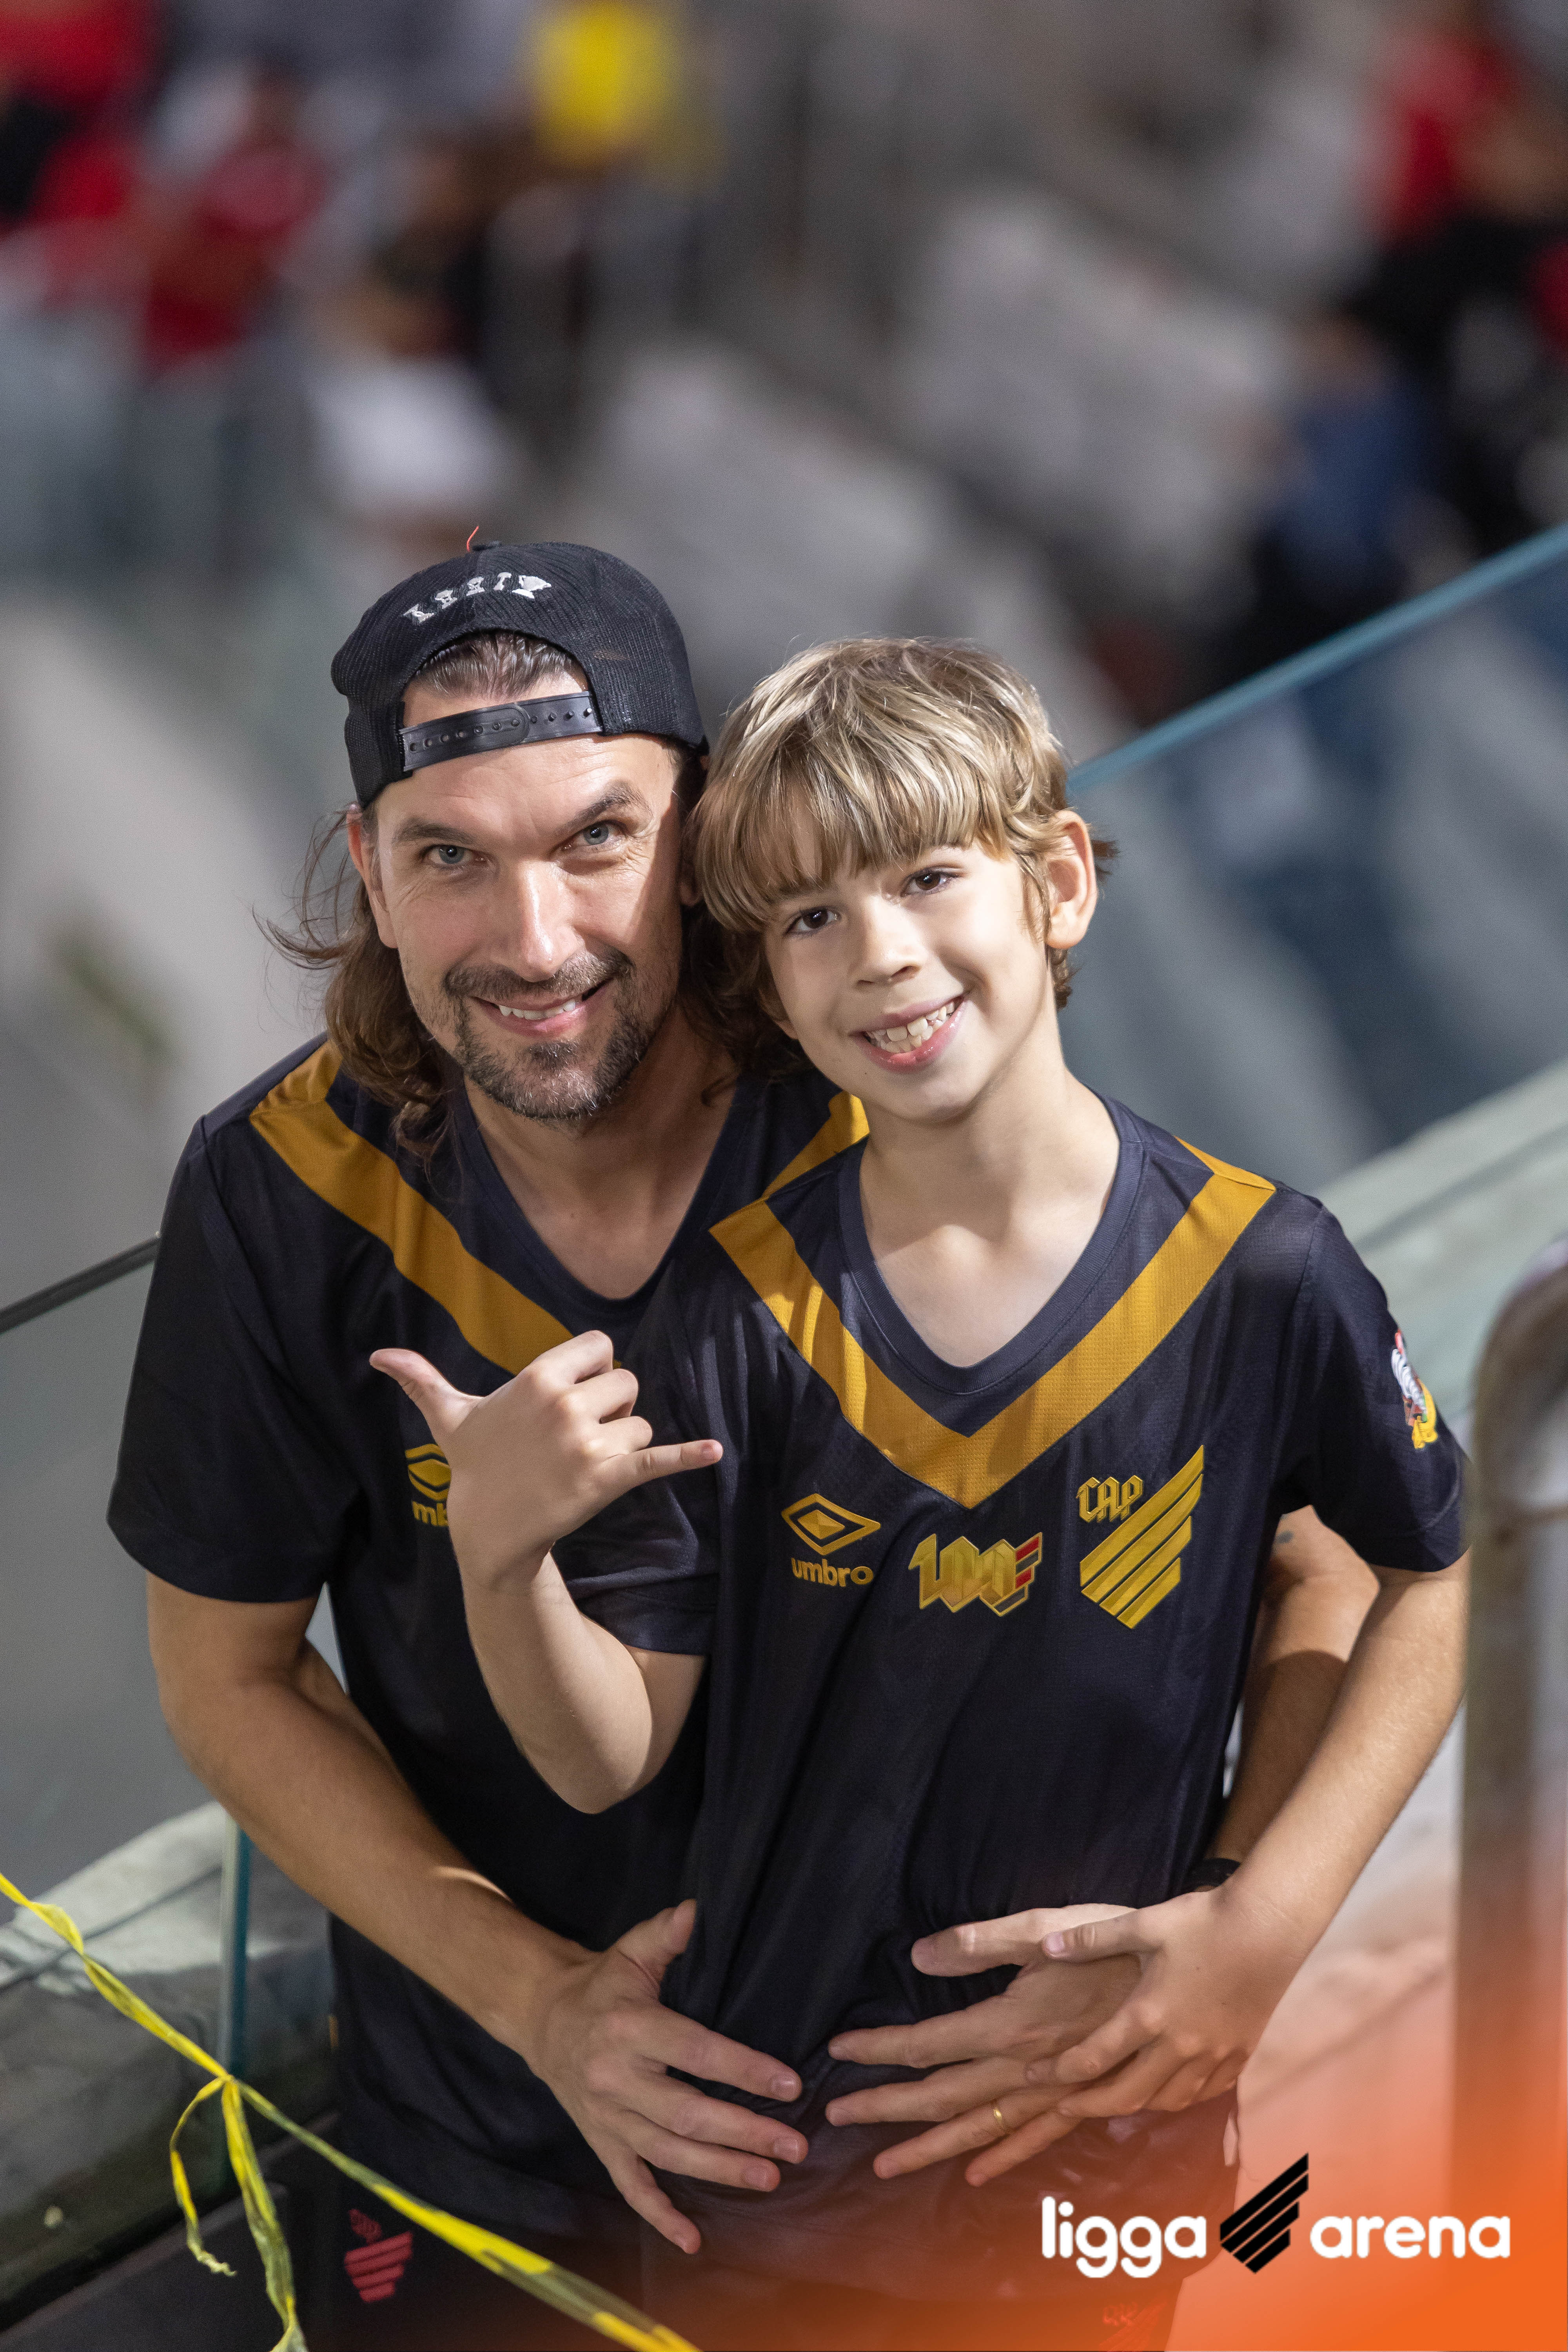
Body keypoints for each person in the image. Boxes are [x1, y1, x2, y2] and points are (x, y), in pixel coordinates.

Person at [377, 637, 1470, 2351]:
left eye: (927, 878)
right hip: (768, 2169)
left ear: (1060, 882)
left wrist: (1258, 1931)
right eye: (810, 917)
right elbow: (605, 1755)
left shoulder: (1265, 1270)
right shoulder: (729, 1307)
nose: (878, 953)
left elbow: (1431, 1578)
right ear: (767, 975)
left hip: (1104, 2135)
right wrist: (500, 1557)